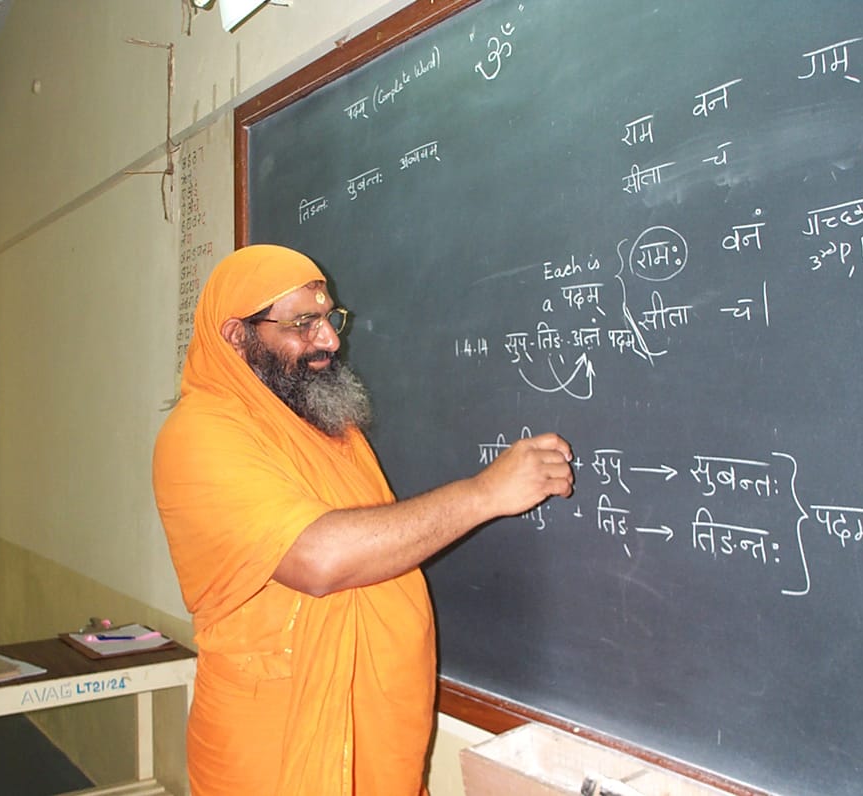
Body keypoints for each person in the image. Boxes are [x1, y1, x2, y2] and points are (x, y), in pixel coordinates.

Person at [152, 244, 573, 795]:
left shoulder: (326, 426)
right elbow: (318, 558)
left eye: (329, 318)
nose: (329, 339)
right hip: (276, 755)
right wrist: (483, 495)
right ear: (237, 335)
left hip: (377, 746)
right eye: (303, 324)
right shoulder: (198, 437)